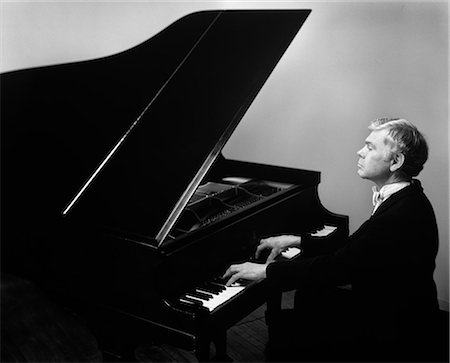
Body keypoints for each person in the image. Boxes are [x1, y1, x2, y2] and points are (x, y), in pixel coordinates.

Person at [223, 118, 440, 362]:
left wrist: (267, 271)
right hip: (394, 307)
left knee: (302, 311)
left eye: (370, 148)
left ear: (396, 161)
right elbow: (357, 250)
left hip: (393, 327)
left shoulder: (401, 215)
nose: (360, 151)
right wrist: (296, 240)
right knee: (308, 295)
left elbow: (339, 266)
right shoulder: (406, 197)